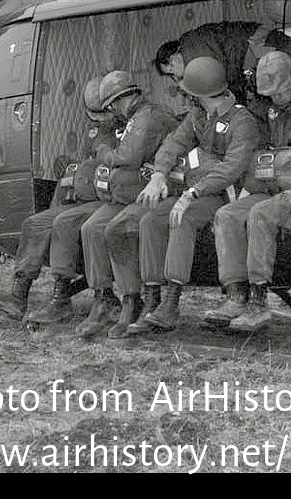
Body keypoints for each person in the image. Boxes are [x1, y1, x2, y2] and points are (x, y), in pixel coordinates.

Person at [105, 56, 261, 336]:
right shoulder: (199, 116)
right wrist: (157, 177)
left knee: (182, 217)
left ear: (198, 94)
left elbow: (232, 169)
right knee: (151, 219)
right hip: (198, 190)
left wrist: (191, 193)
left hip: (227, 195)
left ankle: (171, 302)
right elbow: (173, 143)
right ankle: (152, 297)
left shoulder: (241, 120)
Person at [207, 50, 291, 333]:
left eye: (280, 92)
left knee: (260, 214)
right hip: (272, 189)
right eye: (271, 94)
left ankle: (259, 303)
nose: (276, 98)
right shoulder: (271, 113)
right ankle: (236, 296)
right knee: (227, 215)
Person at [0, 75, 113, 320]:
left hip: (107, 200)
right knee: (35, 223)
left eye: (103, 113)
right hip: (83, 198)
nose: (99, 120)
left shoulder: (125, 132)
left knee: (64, 223)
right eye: (95, 115)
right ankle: (18, 295)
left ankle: (61, 297)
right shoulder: (95, 133)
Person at [71, 67, 180, 339]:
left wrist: (104, 152)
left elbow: (128, 156)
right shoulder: (135, 118)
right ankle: (103, 296)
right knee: (91, 228)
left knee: (115, 230)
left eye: (112, 106)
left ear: (120, 100)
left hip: (153, 192)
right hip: (128, 194)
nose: (113, 113)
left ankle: (133, 299)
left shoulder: (148, 117)